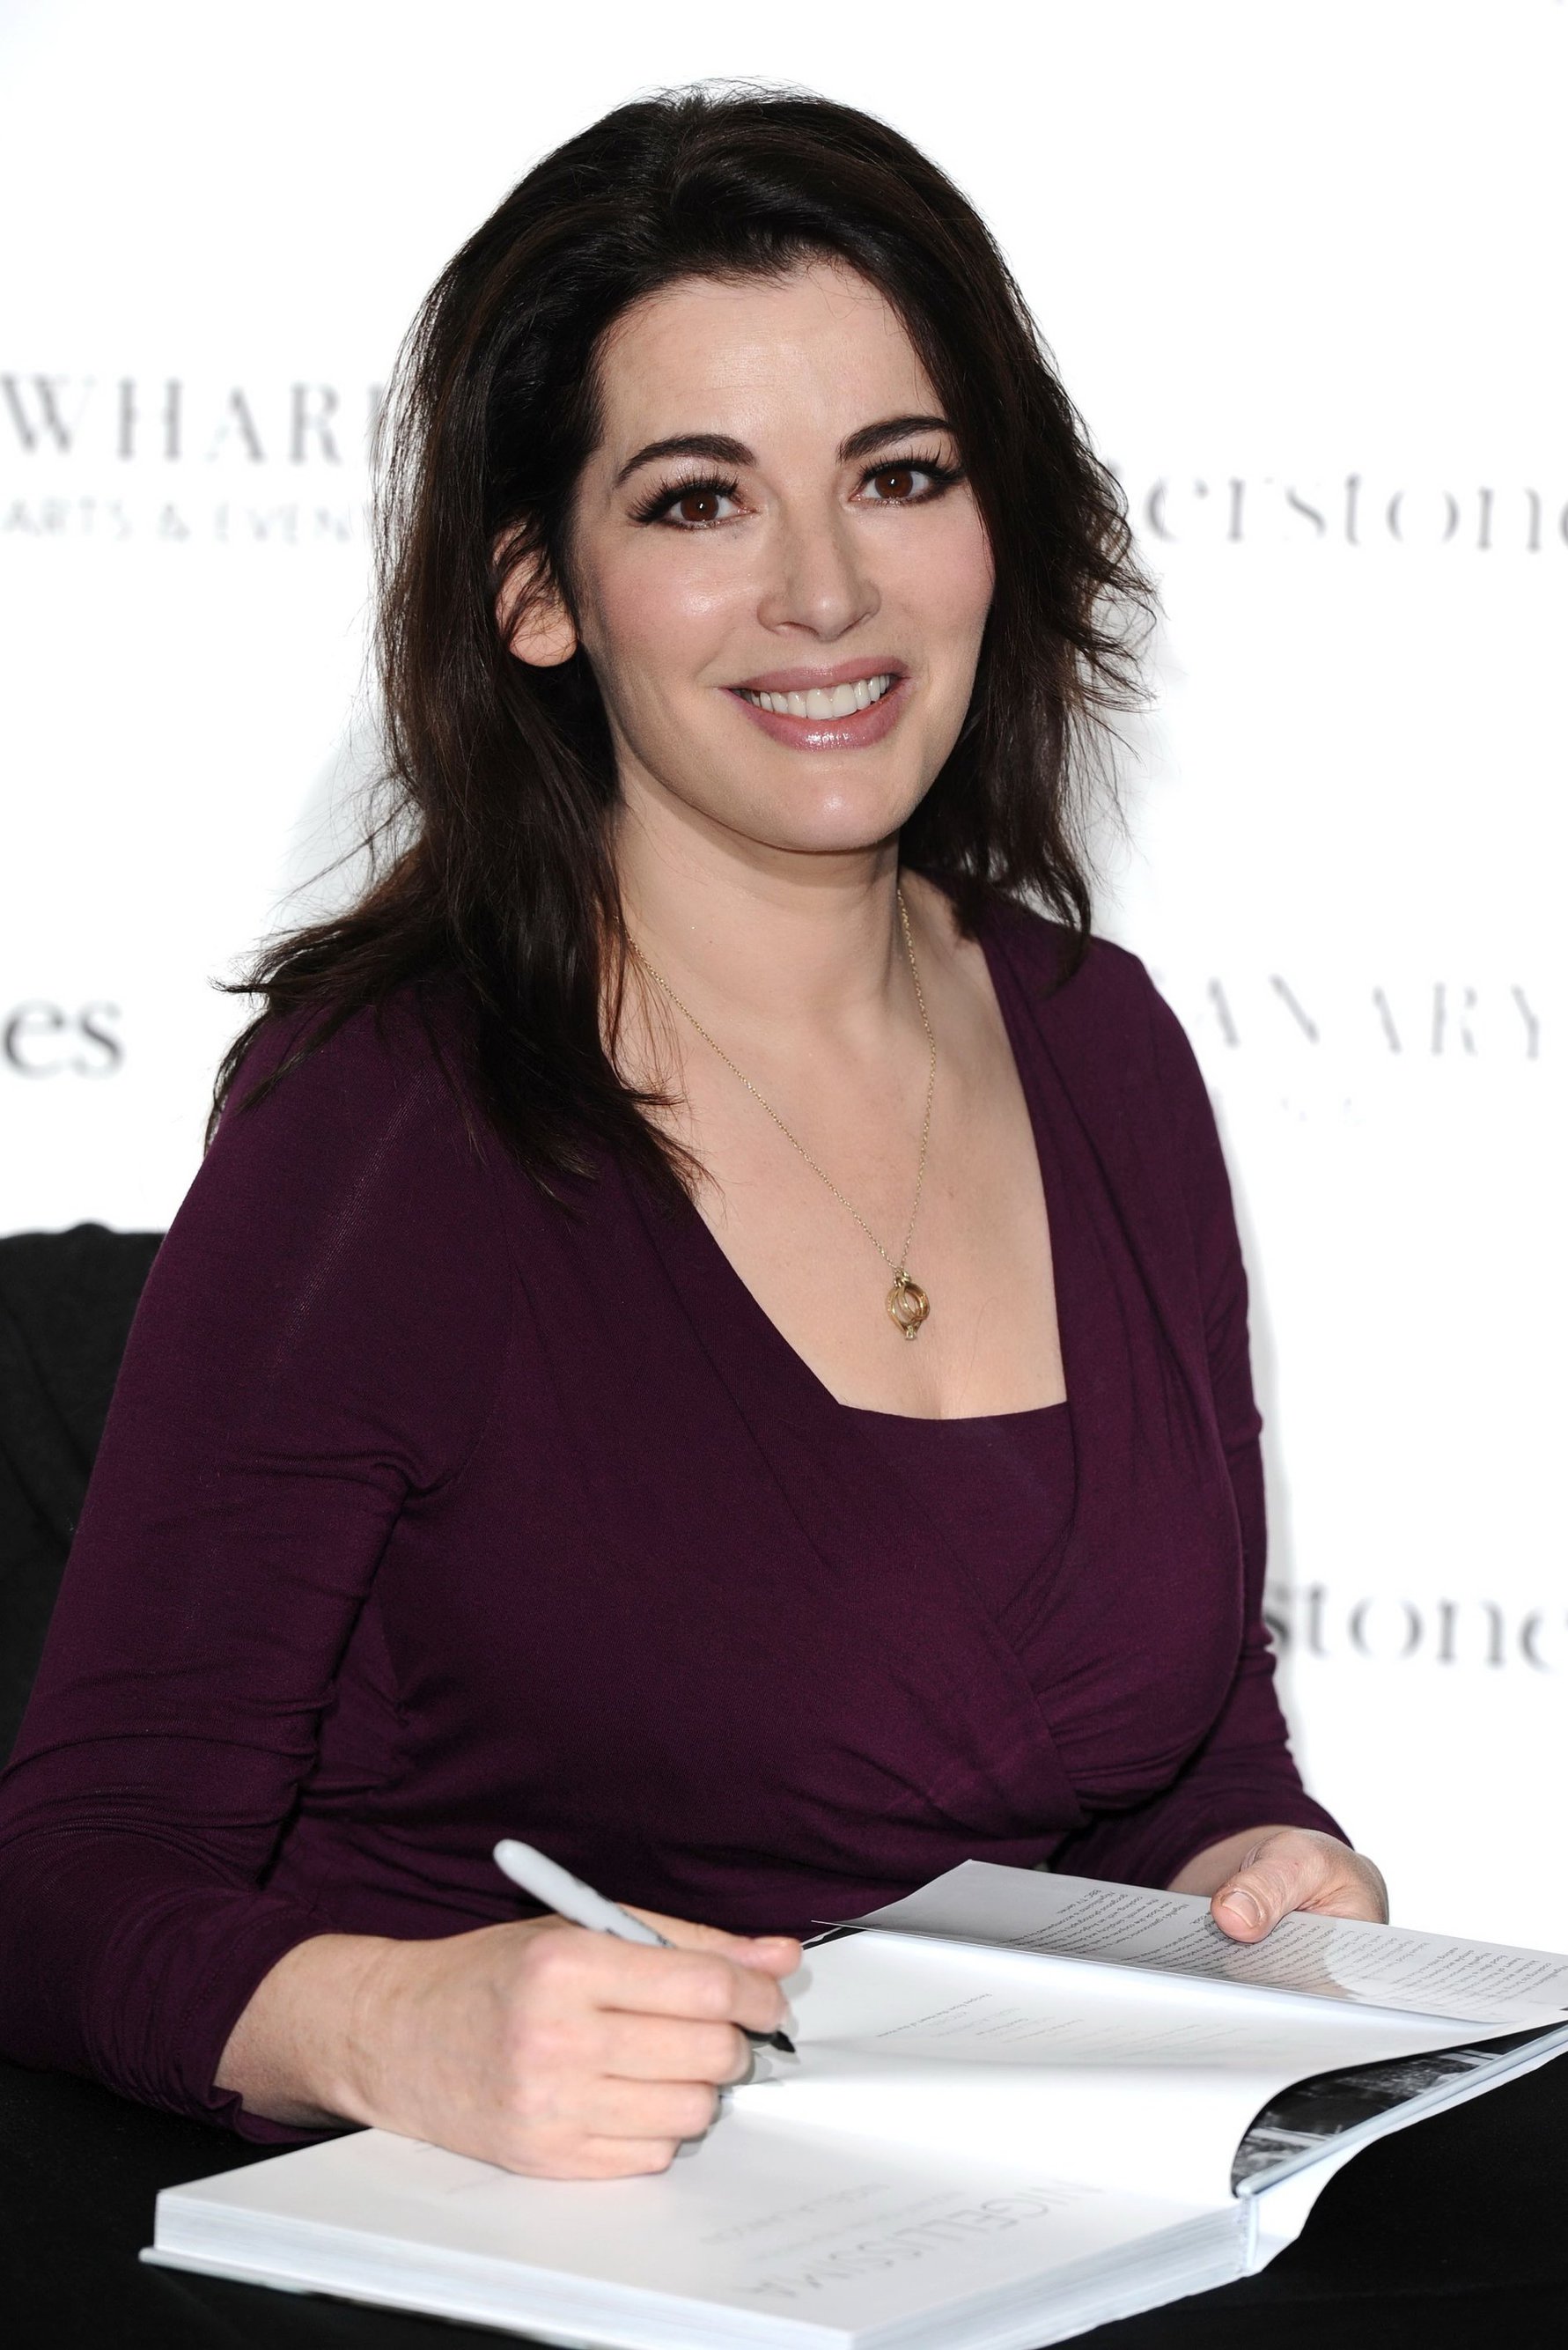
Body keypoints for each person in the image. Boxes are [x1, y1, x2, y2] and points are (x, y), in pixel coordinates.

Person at [0, 86, 1388, 2186]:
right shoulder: (390, 1118)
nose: (824, 591)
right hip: (512, 2243)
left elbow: (1183, 1752)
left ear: (996, 522)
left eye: (897, 476)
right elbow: (73, 1882)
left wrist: (1257, 1864)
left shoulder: (1105, 1051)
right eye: (696, 503)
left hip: (1003, 2215)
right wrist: (392, 2021)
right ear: (541, 595)